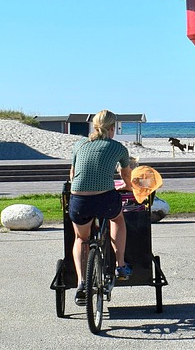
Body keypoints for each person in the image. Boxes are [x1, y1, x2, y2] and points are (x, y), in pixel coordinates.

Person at [70, 109, 134, 306]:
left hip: (79, 199)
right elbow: (126, 176)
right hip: (105, 198)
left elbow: (72, 174)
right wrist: (128, 187)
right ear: (113, 128)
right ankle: (120, 265)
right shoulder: (118, 148)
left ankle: (82, 283)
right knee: (118, 219)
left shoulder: (80, 144)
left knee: (81, 238)